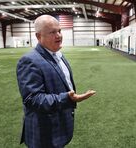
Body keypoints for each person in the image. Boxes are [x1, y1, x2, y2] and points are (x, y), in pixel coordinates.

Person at [16, 15, 96, 148]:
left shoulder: (58, 55)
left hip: (59, 125)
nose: (58, 35)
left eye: (59, 31)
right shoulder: (29, 61)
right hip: (44, 132)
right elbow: (32, 99)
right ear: (38, 36)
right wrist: (67, 98)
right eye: (52, 32)